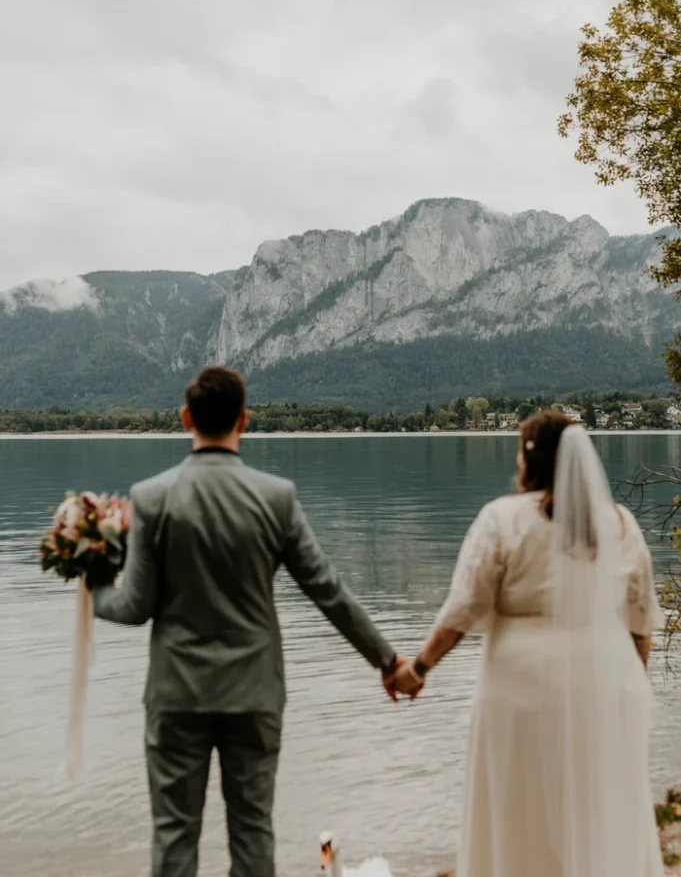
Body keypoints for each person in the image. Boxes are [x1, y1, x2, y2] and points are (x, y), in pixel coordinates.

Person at [94, 366, 399, 877]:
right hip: (254, 695)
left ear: (185, 418)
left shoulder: (151, 497)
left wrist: (95, 590)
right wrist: (386, 660)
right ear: (244, 420)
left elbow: (134, 607)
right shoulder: (276, 498)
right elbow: (328, 591)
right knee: (253, 835)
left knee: (174, 837)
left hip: (177, 696)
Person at [387, 410, 666, 877]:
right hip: (606, 686)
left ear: (529, 459)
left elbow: (463, 610)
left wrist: (417, 670)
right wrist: (624, 687)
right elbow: (641, 626)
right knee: (600, 811)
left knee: (520, 816)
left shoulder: (503, 519)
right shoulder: (619, 525)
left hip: (522, 694)